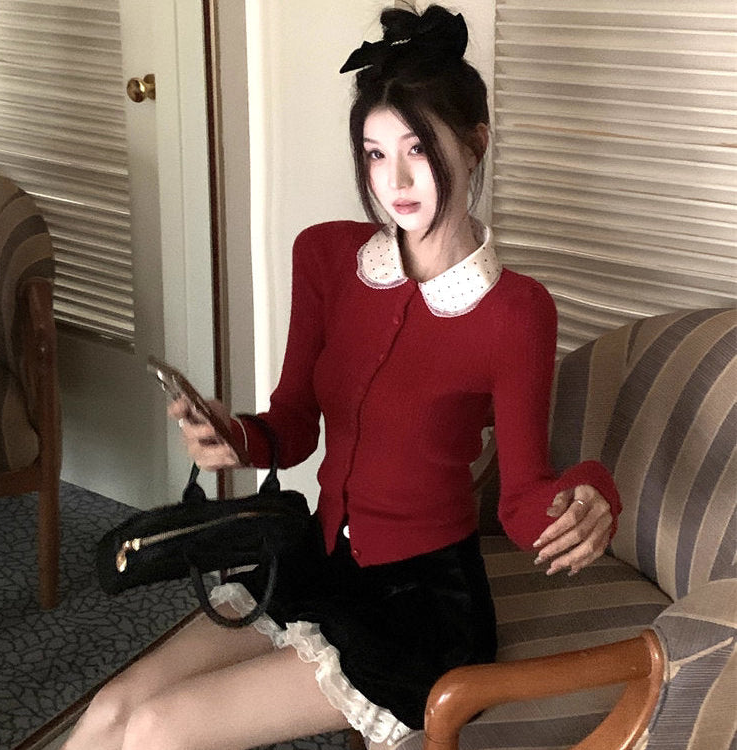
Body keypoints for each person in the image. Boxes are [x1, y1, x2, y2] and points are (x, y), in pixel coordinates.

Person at [63, 5, 620, 750]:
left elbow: (522, 503)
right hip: (317, 562)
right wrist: (231, 437)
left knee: (157, 729)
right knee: (111, 709)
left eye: (419, 149)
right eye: (375, 153)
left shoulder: (516, 311)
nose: (396, 180)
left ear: (476, 143)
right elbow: (291, 426)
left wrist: (592, 492)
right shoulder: (327, 258)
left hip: (420, 607)